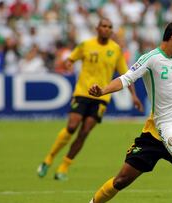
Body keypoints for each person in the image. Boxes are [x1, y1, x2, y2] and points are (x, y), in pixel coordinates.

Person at [89, 19, 172, 203]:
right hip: (160, 129)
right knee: (122, 179)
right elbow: (125, 79)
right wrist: (102, 90)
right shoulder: (151, 59)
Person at [37, 18, 143, 181]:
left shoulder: (116, 50)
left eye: (110, 27)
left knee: (84, 132)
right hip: (82, 92)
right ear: (97, 28)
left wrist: (134, 96)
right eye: (104, 26)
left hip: (101, 97)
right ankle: (48, 159)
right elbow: (70, 59)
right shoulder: (86, 45)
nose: (107, 29)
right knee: (72, 126)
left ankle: (63, 168)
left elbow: (125, 75)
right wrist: (68, 64)